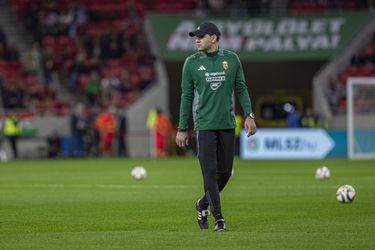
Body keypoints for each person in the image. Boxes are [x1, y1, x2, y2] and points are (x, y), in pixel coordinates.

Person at [175, 22, 256, 232]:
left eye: (201, 36)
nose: (197, 39)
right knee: (210, 173)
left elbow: (241, 87)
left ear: (214, 38)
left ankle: (202, 204)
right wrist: (182, 128)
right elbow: (186, 96)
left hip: (227, 125)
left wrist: (249, 115)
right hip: (204, 126)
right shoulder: (191, 63)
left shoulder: (232, 59)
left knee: (226, 173)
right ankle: (219, 218)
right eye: (196, 37)